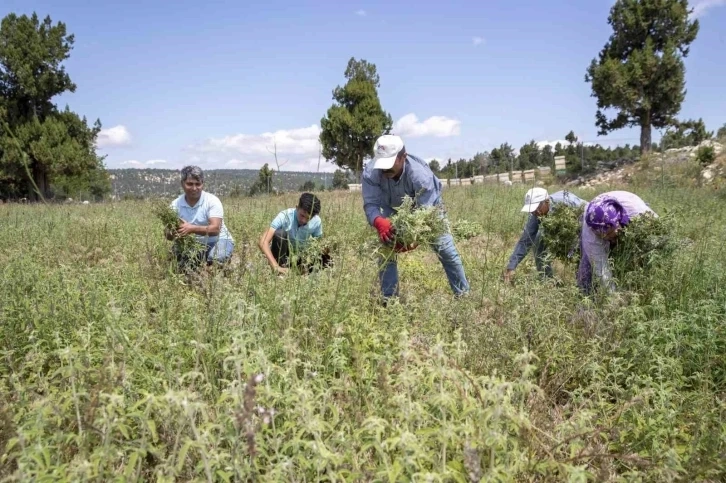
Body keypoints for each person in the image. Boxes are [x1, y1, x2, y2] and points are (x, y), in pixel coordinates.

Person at [362, 134, 470, 302]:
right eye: (382, 164)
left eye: (389, 164)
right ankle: (389, 301)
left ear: (403, 157)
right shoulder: (371, 173)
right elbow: (371, 204)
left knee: (446, 249)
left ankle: (463, 296)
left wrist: (412, 238)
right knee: (386, 250)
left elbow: (424, 215)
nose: (385, 170)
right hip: (391, 209)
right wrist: (378, 221)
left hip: (427, 209)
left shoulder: (420, 176)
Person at [577, 190, 656, 294]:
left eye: (609, 234)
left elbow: (658, 235)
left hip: (630, 208)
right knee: (587, 269)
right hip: (595, 222)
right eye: (602, 236)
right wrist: (613, 298)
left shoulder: (639, 214)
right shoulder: (591, 231)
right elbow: (601, 270)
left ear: (617, 222)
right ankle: (585, 298)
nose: (606, 238)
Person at [504, 187, 587, 283]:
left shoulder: (567, 202)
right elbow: (526, 239)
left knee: (581, 251)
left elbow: (587, 220)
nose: (535, 213)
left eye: (536, 209)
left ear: (546, 202)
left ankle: (585, 281)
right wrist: (511, 266)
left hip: (583, 224)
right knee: (539, 240)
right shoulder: (536, 214)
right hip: (561, 229)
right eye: (532, 210)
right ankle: (547, 280)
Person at [166, 165, 235, 271]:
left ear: (203, 184)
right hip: (194, 244)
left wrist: (191, 229)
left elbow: (215, 229)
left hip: (218, 240)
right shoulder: (175, 205)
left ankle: (218, 262)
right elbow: (168, 235)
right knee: (179, 262)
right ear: (182, 184)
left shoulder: (212, 201)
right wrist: (173, 232)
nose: (194, 188)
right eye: (190, 184)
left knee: (217, 260)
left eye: (198, 184)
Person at [258, 192, 331, 275]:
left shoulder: (317, 221)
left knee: (327, 260)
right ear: (297, 208)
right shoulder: (284, 216)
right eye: (302, 216)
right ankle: (280, 272)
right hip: (284, 256)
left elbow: (318, 243)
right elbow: (263, 242)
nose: (304, 221)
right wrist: (275, 266)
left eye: (308, 218)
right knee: (279, 234)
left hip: (301, 256)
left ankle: (301, 272)